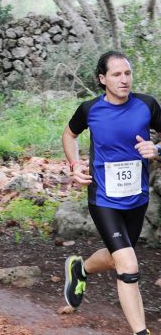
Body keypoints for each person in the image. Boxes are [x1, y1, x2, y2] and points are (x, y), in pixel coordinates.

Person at [62, 51, 160, 335]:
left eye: (127, 73)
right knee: (128, 265)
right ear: (102, 79)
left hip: (137, 197)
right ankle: (141, 332)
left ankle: (80, 269)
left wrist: (157, 150)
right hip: (103, 197)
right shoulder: (89, 109)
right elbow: (69, 135)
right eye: (117, 74)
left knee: (118, 254)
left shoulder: (147, 105)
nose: (124, 79)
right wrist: (75, 164)